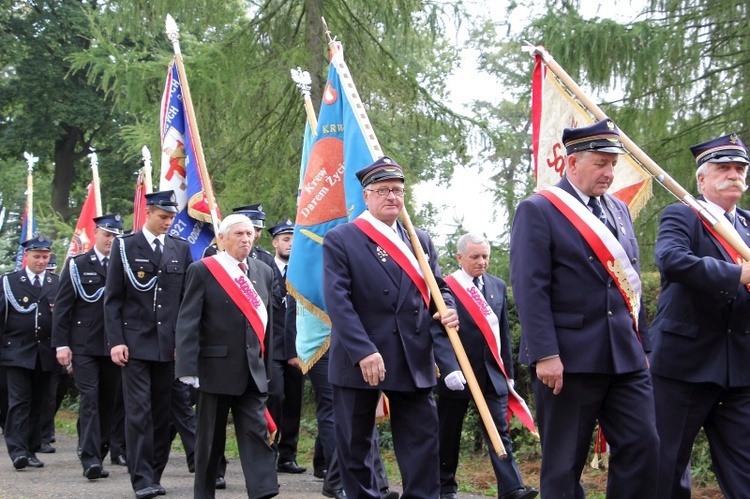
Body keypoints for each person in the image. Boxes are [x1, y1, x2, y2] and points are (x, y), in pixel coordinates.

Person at [509, 120, 658, 497]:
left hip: (624, 355)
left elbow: (631, 284)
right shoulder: (539, 209)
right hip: (568, 358)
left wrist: (645, 347)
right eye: (600, 163)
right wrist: (545, 353)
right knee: (563, 464)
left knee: (644, 445)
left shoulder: (620, 211)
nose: (609, 172)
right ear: (571, 163)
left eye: (613, 164)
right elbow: (530, 287)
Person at [323, 155, 459, 498]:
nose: (392, 197)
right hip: (362, 357)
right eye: (382, 190)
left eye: (397, 190)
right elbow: (338, 302)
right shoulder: (343, 239)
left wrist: (449, 308)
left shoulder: (419, 239)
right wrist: (363, 350)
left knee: (422, 447)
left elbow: (438, 287)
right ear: (366, 196)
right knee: (355, 450)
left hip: (413, 355)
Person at [649, 133, 750, 497]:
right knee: (667, 466)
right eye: (723, 167)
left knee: (745, 468)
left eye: (740, 168)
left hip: (738, 370)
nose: (734, 174)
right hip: (683, 366)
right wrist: (737, 274)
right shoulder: (684, 215)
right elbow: (673, 261)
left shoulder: (749, 226)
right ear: (701, 179)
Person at [175, 214, 278, 499]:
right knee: (210, 441)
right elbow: (188, 321)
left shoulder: (263, 271)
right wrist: (187, 368)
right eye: (239, 234)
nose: (246, 239)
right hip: (215, 369)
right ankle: (204, 492)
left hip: (252, 371)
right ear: (222, 238)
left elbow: (267, 326)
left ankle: (263, 490)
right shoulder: (204, 269)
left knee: (257, 433)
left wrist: (266, 368)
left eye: (249, 234)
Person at [434, 233, 537, 499]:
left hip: (492, 374)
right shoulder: (446, 286)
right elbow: (439, 332)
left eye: (485, 256)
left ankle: (512, 489)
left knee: (499, 432)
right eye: (475, 257)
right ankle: (444, 488)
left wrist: (509, 375)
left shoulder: (497, 285)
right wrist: (448, 368)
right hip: (458, 373)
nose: (482, 262)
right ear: (459, 258)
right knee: (448, 432)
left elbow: (501, 333)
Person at [104, 190, 192, 499]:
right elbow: (113, 299)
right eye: (163, 217)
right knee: (138, 412)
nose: (169, 222)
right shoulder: (126, 246)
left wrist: (184, 343)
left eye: (172, 218)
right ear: (149, 213)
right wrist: (115, 341)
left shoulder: (180, 250)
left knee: (161, 414)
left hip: (168, 346)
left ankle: (154, 473)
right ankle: (140, 479)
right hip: (135, 343)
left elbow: (184, 302)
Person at [53, 213, 123, 480]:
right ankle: (91, 458)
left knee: (108, 401)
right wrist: (61, 345)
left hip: (113, 345)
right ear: (96, 234)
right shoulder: (77, 265)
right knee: (91, 399)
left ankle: (97, 449)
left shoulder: (124, 265)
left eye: (116, 236)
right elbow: (62, 308)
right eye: (107, 234)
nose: (111, 240)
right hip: (83, 345)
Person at [0, 235, 59, 470]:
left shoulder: (56, 282)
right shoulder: (10, 282)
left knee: (39, 402)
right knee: (18, 401)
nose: (42, 261)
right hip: (17, 352)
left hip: (45, 353)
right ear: (27, 256)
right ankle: (17, 451)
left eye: (45, 257)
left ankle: (32, 448)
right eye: (37, 257)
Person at [266, 219, 306, 474]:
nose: (290, 244)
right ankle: (267, 451)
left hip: (298, 348)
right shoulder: (264, 268)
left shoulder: (303, 272)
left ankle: (287, 455)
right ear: (275, 243)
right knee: (275, 397)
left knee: (293, 402)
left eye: (294, 239)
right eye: (285, 239)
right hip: (271, 347)